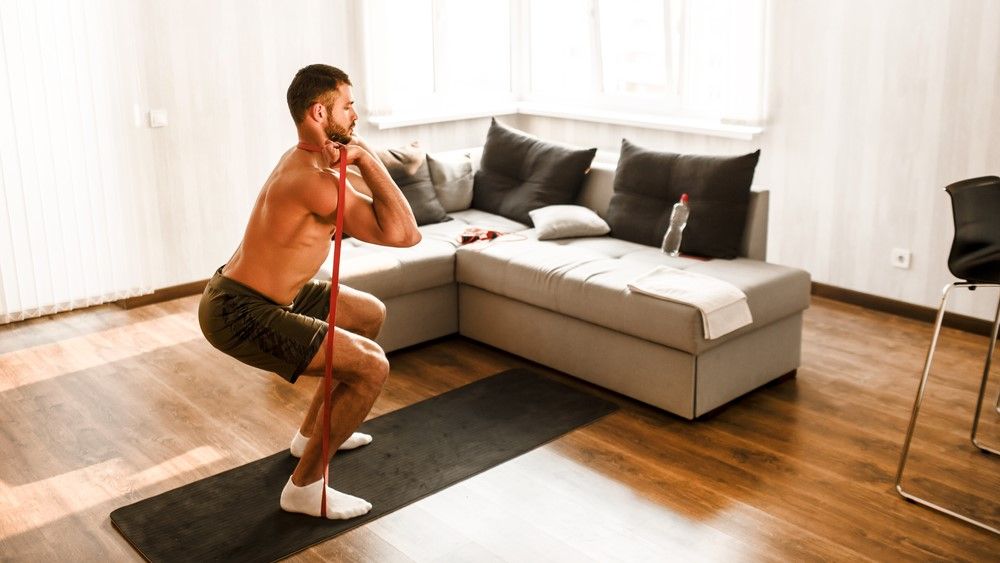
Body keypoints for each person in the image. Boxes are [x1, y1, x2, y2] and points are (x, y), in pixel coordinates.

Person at [198, 64, 420, 519]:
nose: (355, 114)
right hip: (241, 310)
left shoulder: (309, 158)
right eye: (348, 105)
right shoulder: (315, 182)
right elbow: (403, 233)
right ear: (321, 112)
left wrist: (366, 156)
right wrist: (368, 159)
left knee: (367, 314)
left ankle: (308, 438)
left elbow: (374, 191)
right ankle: (305, 487)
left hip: (276, 292)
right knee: (372, 368)